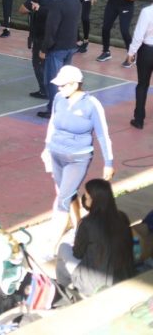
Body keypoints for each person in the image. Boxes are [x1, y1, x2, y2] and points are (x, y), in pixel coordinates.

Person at [41, 65, 114, 250]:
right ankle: (79, 228)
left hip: (78, 158)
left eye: (63, 85)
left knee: (62, 200)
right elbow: (52, 124)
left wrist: (109, 162)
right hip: (56, 154)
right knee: (68, 193)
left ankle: (51, 246)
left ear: (75, 84)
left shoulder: (91, 104)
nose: (59, 88)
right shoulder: (59, 98)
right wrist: (47, 148)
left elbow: (103, 134)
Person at [56, 178, 134, 297]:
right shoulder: (122, 217)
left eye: (86, 197)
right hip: (124, 275)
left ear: (95, 201)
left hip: (96, 284)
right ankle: (66, 288)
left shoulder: (87, 223)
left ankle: (65, 291)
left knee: (63, 248)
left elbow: (77, 254)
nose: (83, 199)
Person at [37, 0, 84, 119]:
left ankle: (53, 108)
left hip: (58, 47)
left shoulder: (57, 3)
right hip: (71, 45)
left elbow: (51, 28)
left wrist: (44, 48)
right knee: (65, 80)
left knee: (52, 80)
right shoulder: (76, 1)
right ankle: (64, 106)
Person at [127, 0, 153, 129]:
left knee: (142, 85)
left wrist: (131, 52)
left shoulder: (147, 12)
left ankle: (139, 119)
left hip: (147, 52)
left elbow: (138, 35)